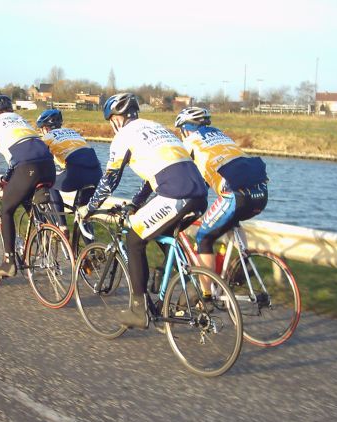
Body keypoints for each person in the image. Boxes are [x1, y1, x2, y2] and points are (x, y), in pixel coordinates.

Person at [78, 93, 208, 328]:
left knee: (135, 238)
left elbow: (110, 180)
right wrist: (137, 203)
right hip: (199, 195)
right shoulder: (158, 129)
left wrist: (90, 208)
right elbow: (153, 176)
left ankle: (139, 310)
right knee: (163, 235)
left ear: (116, 119)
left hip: (175, 195)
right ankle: (183, 289)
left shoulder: (124, 136)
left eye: (110, 120)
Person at [174, 107, 268, 292]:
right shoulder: (221, 136)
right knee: (233, 221)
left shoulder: (190, 142)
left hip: (235, 195)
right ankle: (242, 262)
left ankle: (206, 295)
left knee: (204, 239)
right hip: (261, 193)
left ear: (185, 129)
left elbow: (190, 180)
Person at [0, 95, 55, 278]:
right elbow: (24, 151)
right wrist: (9, 176)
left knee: (7, 208)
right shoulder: (21, 120)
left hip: (27, 167)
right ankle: (42, 240)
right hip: (48, 165)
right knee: (26, 198)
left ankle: (9, 262)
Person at [36, 109, 103, 236]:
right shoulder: (73, 133)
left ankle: (62, 227)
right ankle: (91, 251)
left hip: (76, 173)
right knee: (82, 214)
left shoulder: (47, 137)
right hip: (96, 173)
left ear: (45, 128)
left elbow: (39, 159)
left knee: (49, 184)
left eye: (41, 130)